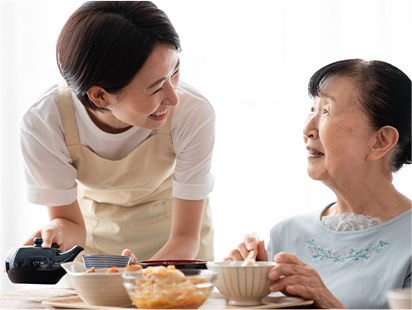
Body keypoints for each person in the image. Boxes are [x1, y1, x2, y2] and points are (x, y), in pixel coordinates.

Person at [19, 1, 215, 262]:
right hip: (93, 251)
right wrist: (56, 231)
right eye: (156, 88)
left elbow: (185, 238)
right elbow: (70, 224)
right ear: (99, 95)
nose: (173, 98)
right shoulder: (44, 122)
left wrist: (139, 277)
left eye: (175, 71)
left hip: (176, 250)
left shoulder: (194, 113)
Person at [225, 59, 411, 309]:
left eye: (326, 112)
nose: (307, 129)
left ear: (380, 141)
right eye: (312, 109)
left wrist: (328, 303)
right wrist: (243, 288)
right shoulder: (286, 234)